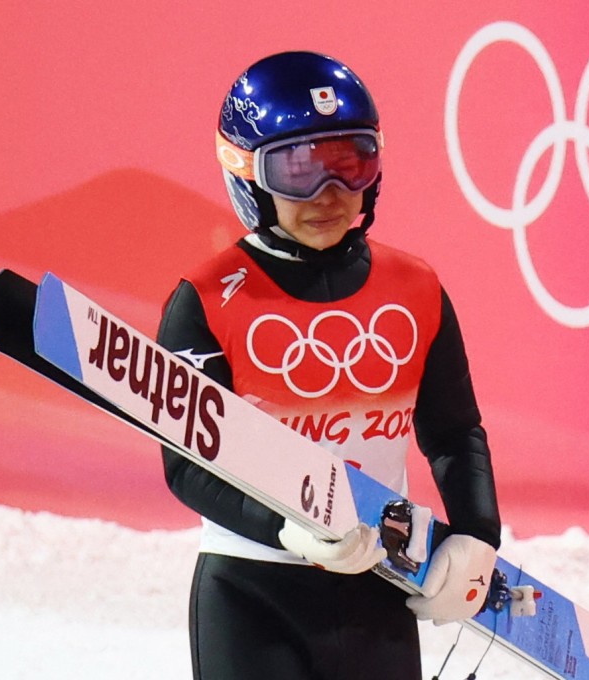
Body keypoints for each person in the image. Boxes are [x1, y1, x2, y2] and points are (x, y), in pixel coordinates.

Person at [156, 51, 502, 680]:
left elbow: (454, 432)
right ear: (246, 173)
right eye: (297, 170)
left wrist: (478, 534)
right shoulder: (205, 301)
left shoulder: (416, 288)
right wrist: (284, 529)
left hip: (378, 587)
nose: (330, 195)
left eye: (351, 163)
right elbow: (187, 466)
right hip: (251, 594)